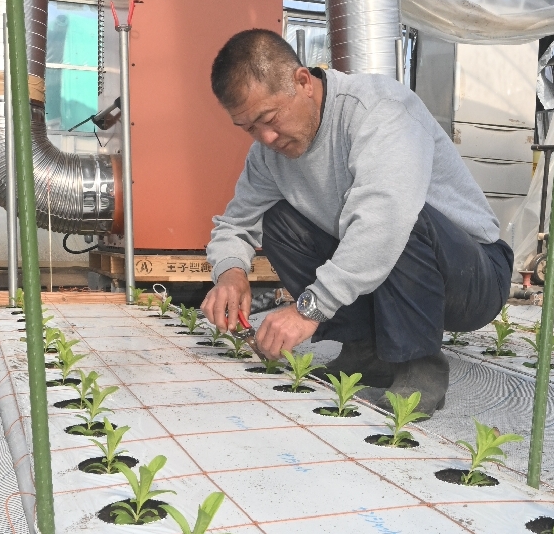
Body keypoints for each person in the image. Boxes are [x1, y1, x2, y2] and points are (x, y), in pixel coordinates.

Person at [201, 29, 513, 415]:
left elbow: (384, 220)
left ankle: (419, 368)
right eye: (248, 127)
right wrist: (230, 272)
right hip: (390, 278)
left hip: (470, 276)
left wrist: (307, 311)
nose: (265, 137)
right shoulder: (268, 156)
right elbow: (236, 223)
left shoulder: (379, 109)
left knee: (396, 215)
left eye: (269, 117)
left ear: (302, 81)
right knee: (279, 219)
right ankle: (365, 352)